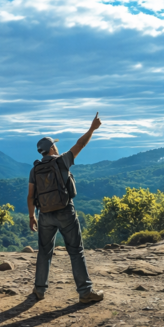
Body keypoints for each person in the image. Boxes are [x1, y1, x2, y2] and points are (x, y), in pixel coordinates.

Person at [27, 112, 105, 305]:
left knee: (44, 251)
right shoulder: (61, 161)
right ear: (52, 147)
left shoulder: (35, 169)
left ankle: (39, 290)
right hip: (65, 211)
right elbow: (80, 144)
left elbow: (30, 196)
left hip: (44, 214)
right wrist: (92, 129)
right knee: (76, 250)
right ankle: (85, 291)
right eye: (55, 144)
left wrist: (32, 216)